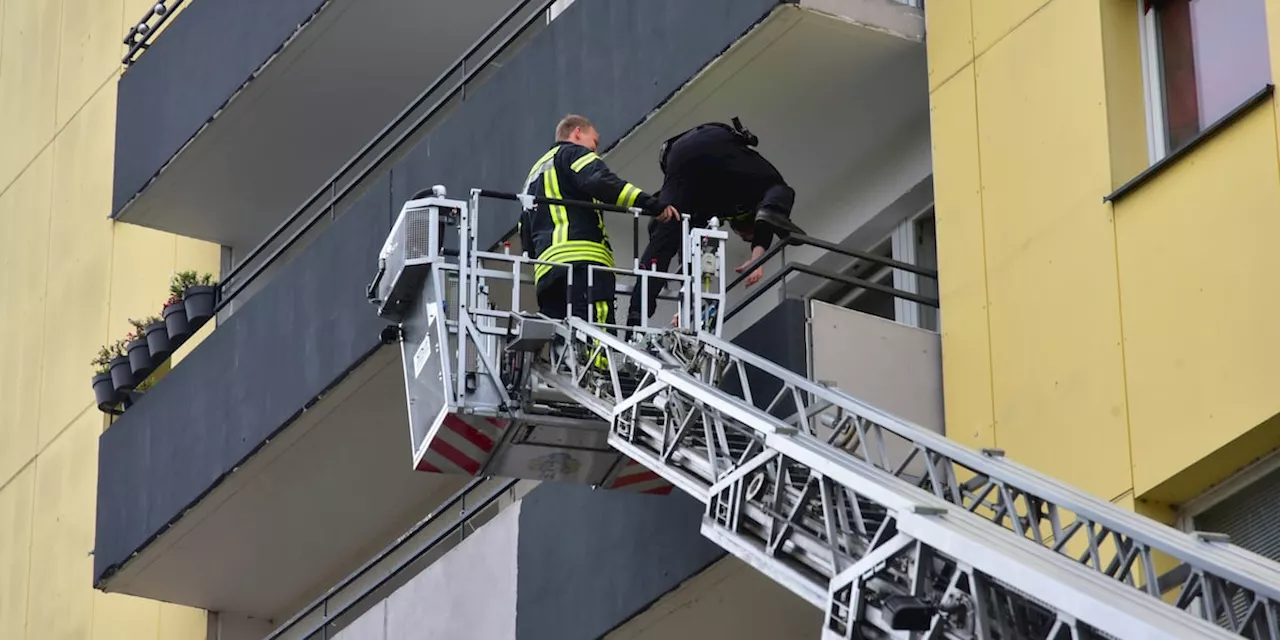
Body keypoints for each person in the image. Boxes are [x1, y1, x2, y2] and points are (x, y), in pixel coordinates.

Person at [624, 118, 803, 329]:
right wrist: (758, 257)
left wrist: (686, 309)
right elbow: (764, 221)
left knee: (669, 229)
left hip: (682, 153)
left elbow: (692, 255)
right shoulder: (746, 200)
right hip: (715, 145)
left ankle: (637, 310)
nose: (742, 236)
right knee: (779, 189)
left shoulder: (708, 210)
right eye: (747, 236)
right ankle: (655, 299)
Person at [519, 114, 677, 328]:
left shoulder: (533, 175)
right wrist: (651, 204)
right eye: (594, 143)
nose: (595, 151)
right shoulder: (573, 153)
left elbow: (525, 229)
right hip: (584, 264)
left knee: (564, 339)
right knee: (596, 333)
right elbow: (600, 181)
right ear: (577, 133)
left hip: (547, 272)